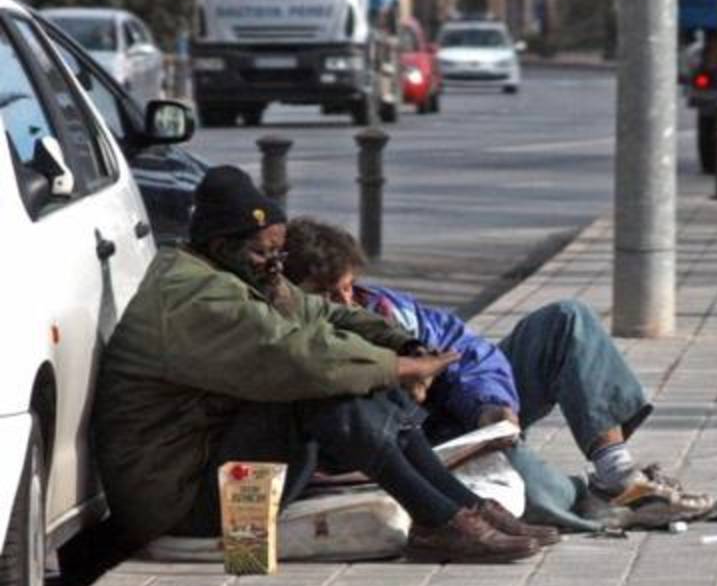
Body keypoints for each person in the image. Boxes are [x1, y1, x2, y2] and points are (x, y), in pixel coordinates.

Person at [92, 166, 559, 563]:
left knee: (361, 376)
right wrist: (398, 369)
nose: (274, 265)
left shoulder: (234, 273)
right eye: (262, 252)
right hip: (178, 501)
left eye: (278, 253)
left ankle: (461, 509)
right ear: (219, 243)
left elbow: (325, 313)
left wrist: (403, 345)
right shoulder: (196, 295)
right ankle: (441, 520)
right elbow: (300, 358)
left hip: (214, 470)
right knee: (323, 386)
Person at [282, 217, 714, 531]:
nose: (345, 302)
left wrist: (491, 405)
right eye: (327, 295)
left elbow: (466, 350)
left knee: (566, 319)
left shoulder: (388, 310)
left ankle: (615, 472)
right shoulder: (295, 339)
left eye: (348, 287)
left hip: (463, 419)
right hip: (414, 452)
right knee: (541, 497)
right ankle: (594, 500)